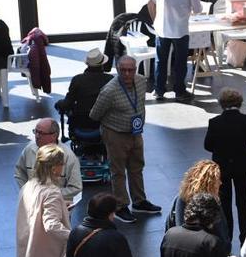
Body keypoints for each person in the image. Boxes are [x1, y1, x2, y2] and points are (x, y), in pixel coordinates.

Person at [89, 55, 162, 223]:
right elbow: (95, 114)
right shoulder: (109, 91)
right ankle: (121, 206)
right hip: (115, 133)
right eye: (123, 70)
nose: (127, 74)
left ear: (136, 69)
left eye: (131, 70)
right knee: (118, 171)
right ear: (117, 69)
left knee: (137, 167)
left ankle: (139, 201)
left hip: (136, 132)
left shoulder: (142, 81)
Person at [204, 88, 246, 244]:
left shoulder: (214, 122)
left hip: (222, 168)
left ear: (222, 104)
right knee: (243, 202)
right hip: (243, 166)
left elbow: (208, 145)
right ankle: (245, 237)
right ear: (239, 103)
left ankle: (227, 238)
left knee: (224, 204)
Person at [152, 0, 201, 102]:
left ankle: (158, 90)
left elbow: (152, 2)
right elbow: (198, 9)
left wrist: (155, 20)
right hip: (180, 29)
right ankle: (179, 91)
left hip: (161, 28)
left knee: (160, 60)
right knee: (180, 61)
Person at [14, 119, 82, 205]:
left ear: (54, 135)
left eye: (41, 133)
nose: (37, 136)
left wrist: (49, 196)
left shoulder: (68, 156)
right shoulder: (29, 149)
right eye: (36, 131)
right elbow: (19, 172)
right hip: (32, 204)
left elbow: (76, 187)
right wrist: (27, 192)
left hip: (57, 206)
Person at [55, 48, 114, 133]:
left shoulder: (77, 79)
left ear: (87, 64)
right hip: (105, 123)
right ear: (102, 64)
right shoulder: (110, 79)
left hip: (82, 122)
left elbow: (68, 103)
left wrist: (58, 104)